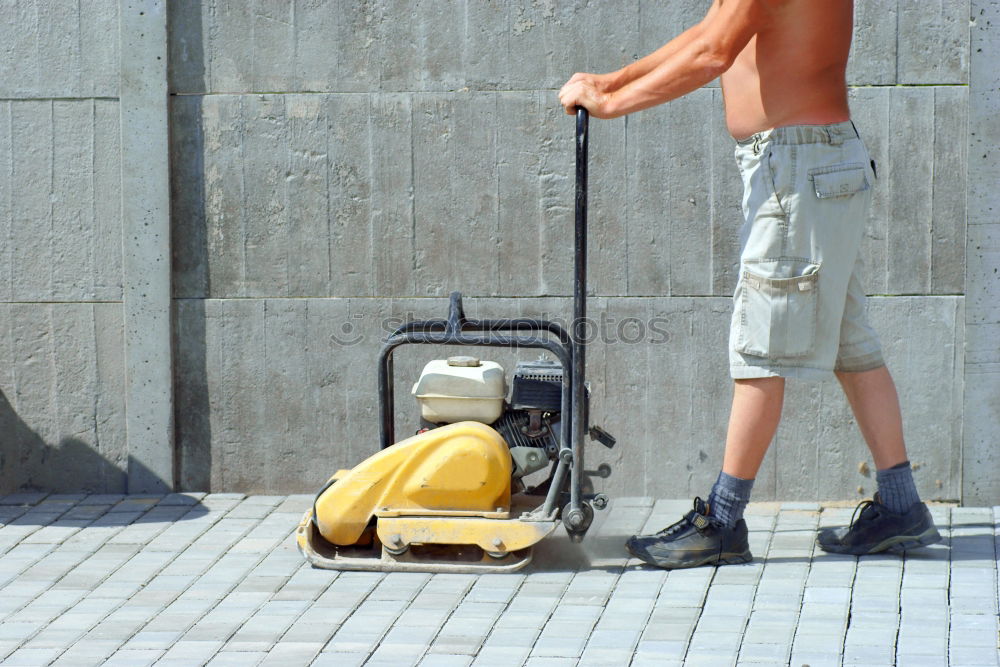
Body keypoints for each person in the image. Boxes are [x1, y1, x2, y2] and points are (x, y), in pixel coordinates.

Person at [558, 0, 940, 569]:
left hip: (796, 171)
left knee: (759, 348)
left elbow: (712, 55)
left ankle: (722, 520)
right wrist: (611, 81)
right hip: (814, 166)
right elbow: (709, 34)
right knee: (849, 346)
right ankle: (902, 508)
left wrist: (613, 103)